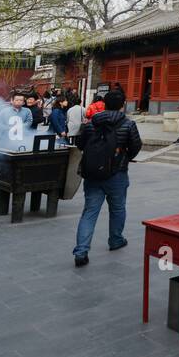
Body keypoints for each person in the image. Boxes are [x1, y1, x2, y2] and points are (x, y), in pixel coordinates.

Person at [71, 89, 141, 267]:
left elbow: (80, 144)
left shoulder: (91, 123)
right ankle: (116, 239)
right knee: (117, 208)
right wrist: (123, 157)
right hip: (117, 173)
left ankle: (81, 251)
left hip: (93, 173)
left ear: (104, 104)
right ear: (122, 105)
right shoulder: (128, 124)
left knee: (89, 212)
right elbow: (135, 146)